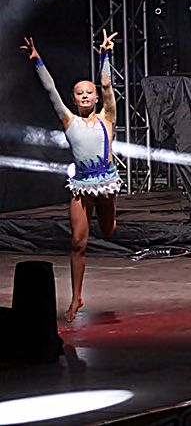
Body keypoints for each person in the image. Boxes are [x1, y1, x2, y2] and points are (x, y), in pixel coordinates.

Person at [21, 30, 122, 322]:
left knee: (108, 231)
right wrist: (37, 61)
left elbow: (107, 85)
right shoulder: (69, 120)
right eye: (80, 93)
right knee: (78, 242)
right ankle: (77, 297)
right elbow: (50, 90)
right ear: (75, 99)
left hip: (106, 182)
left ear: (95, 97)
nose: (86, 96)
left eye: (89, 92)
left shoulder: (107, 118)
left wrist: (105, 56)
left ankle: (111, 215)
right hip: (81, 184)